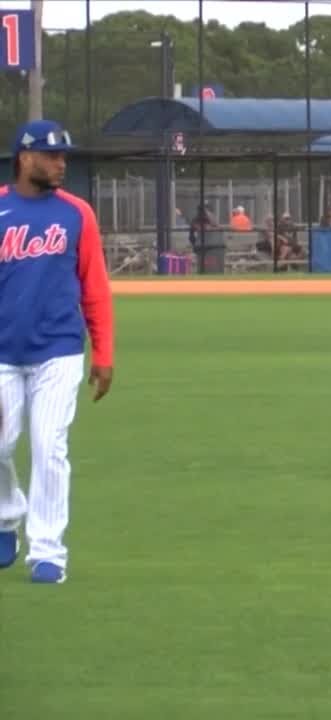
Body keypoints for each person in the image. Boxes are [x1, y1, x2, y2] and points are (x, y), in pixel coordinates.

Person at [0, 119, 115, 584]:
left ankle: (48, 551)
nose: (61, 162)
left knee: (49, 447)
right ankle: (7, 514)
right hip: (3, 350)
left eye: (64, 155)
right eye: (52, 155)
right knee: (1, 443)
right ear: (25, 158)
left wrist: (103, 352)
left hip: (59, 349)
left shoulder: (76, 213)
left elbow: (95, 287)